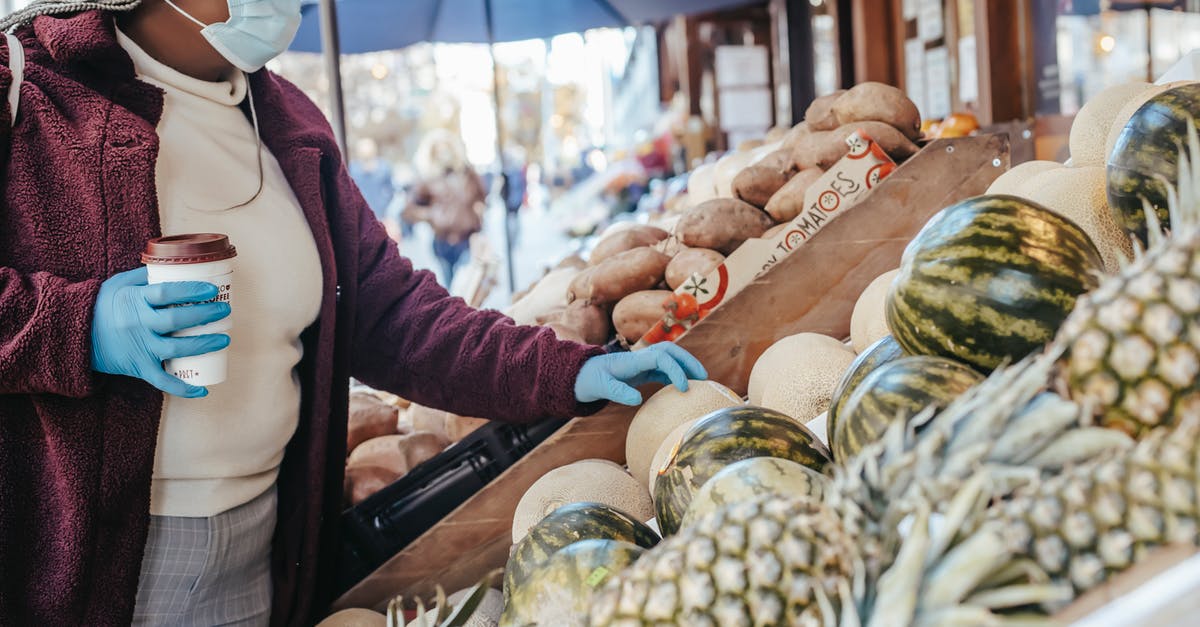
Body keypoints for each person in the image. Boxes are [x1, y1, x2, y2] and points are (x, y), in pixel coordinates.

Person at [0, 3, 706, 626]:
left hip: (265, 551)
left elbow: (396, 314)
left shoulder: (287, 121)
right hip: (98, 566)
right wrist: (77, 324)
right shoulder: (28, 90)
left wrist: (567, 368)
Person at [403, 129, 484, 287]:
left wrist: (478, 216)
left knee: (465, 285)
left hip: (466, 239)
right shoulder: (427, 179)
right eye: (438, 150)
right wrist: (431, 215)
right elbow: (409, 211)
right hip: (442, 242)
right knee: (451, 287)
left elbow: (481, 198)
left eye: (446, 148)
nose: (443, 153)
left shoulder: (468, 174)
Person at [347, 137, 398, 241]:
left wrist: (384, 204)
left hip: (382, 217)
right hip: (361, 219)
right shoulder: (352, 168)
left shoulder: (384, 167)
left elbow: (391, 190)